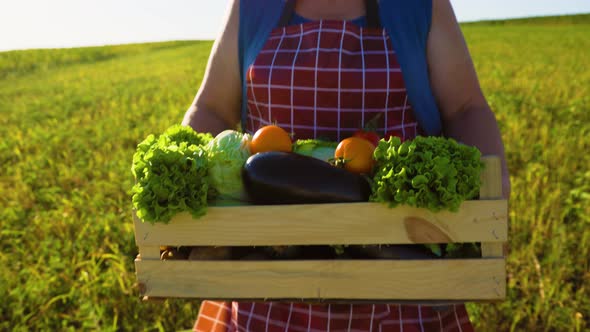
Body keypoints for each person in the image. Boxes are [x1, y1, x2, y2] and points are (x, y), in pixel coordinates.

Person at [183, 0, 511, 330]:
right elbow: (212, 107)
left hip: (404, 277)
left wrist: (491, 200)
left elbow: (465, 108)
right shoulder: (254, 6)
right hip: (264, 284)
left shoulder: (419, 5)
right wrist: (185, 172)